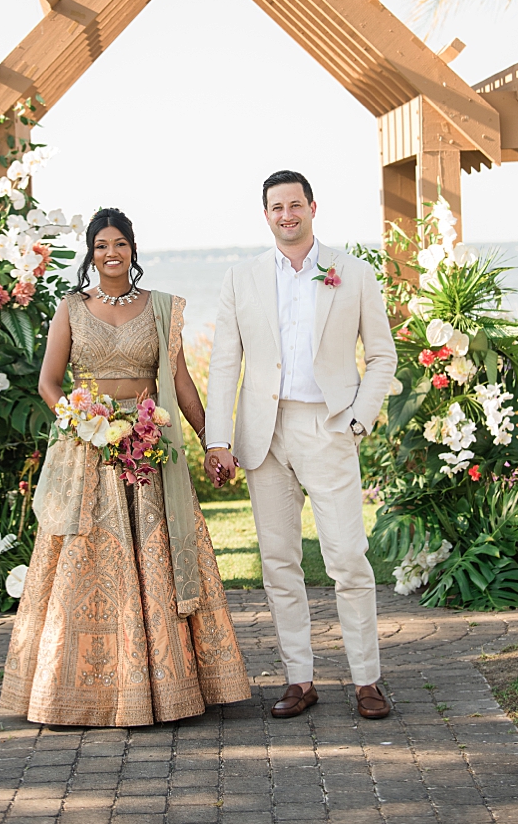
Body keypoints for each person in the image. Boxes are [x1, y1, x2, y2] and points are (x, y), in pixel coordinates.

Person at [0, 208, 250, 725]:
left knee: (153, 559)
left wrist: (211, 441)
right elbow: (49, 383)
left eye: (119, 244)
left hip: (148, 449)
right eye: (100, 246)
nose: (110, 254)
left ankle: (166, 685)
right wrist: (80, 421)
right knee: (83, 566)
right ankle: (74, 689)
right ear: (90, 255)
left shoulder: (160, 309)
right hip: (87, 451)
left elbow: (179, 385)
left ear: (133, 250)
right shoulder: (71, 308)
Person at [204, 170, 398, 720]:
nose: (286, 215)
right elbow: (224, 364)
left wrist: (358, 419)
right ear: (265, 214)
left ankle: (366, 680)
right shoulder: (240, 278)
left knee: (348, 559)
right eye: (276, 207)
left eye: (295, 205)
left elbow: (382, 355)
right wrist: (219, 439)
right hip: (264, 434)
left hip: (329, 426)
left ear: (313, 207)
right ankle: (299, 680)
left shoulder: (353, 273)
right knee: (278, 563)